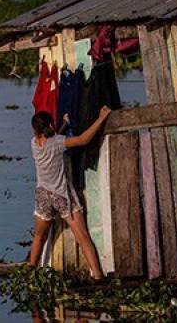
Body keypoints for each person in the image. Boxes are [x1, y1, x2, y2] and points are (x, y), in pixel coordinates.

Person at [27, 106, 111, 281]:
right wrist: (101, 118)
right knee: (82, 237)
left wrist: (63, 126)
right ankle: (98, 276)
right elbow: (83, 139)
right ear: (50, 125)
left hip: (43, 196)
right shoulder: (58, 142)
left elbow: (52, 136)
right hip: (62, 196)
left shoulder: (34, 143)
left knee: (39, 237)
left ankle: (28, 274)